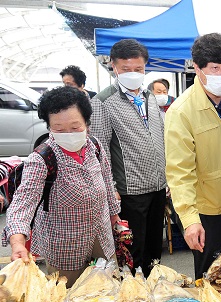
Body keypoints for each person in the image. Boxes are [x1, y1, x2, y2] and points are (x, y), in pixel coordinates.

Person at [3, 86, 120, 287]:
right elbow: (22, 204)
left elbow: (107, 183)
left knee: (110, 289)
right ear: (49, 127)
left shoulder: (95, 146)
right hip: (65, 245)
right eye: (58, 129)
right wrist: (17, 243)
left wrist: (114, 216)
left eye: (75, 127)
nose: (68, 134)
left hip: (101, 236)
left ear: (87, 123)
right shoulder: (42, 159)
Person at [165, 33, 221, 279]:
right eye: (215, 68)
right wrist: (190, 220)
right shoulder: (181, 112)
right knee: (212, 279)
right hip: (206, 213)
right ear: (197, 68)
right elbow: (179, 173)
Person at [90, 39, 166, 277]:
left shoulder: (149, 97)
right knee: (133, 253)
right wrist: (110, 188)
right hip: (129, 192)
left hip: (157, 187)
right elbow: (98, 151)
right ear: (114, 66)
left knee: (154, 251)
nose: (133, 74)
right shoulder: (103, 102)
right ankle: (134, 301)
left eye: (139, 69)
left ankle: (153, 294)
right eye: (126, 69)